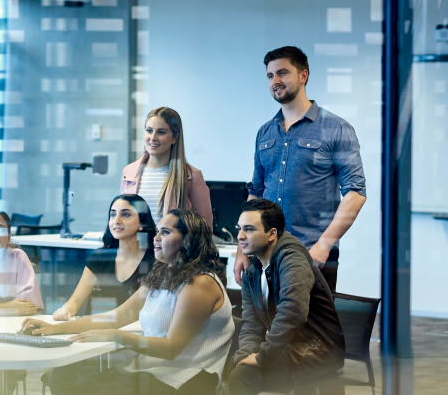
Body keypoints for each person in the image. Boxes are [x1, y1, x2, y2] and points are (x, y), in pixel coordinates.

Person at [24, 209, 233, 395]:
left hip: (184, 379)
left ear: (188, 241)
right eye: (158, 231)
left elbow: (171, 348)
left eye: (166, 233)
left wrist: (117, 336)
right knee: (64, 375)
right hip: (150, 371)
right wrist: (56, 329)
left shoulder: (200, 283)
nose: (156, 238)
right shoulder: (164, 273)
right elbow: (116, 317)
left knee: (78, 383)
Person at [233, 46, 367, 292]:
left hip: (313, 254)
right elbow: (256, 193)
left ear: (303, 75)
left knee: (312, 330)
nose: (275, 81)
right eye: (270, 76)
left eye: (283, 73)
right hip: (265, 254)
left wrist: (325, 245)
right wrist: (241, 248)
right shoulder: (265, 132)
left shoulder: (336, 129)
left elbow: (355, 193)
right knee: (265, 327)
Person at [226, 199, 345, 395]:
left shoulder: (292, 258)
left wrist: (262, 357)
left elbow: (292, 312)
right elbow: (251, 323)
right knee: (237, 367)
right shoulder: (252, 271)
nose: (240, 236)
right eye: (239, 229)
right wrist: (245, 355)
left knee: (244, 377)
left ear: (272, 233)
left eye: (249, 229)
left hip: (315, 350)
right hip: (286, 346)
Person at [52, 194, 157, 321]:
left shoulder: (156, 262)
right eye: (113, 215)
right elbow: (75, 302)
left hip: (134, 334)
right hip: (95, 332)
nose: (116, 221)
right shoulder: (100, 257)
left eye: (125, 214)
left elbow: (133, 314)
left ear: (142, 223)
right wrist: (64, 311)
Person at [121, 107, 213, 228]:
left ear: (175, 138)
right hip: (137, 246)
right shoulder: (129, 172)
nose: (153, 137)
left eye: (161, 132)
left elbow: (204, 228)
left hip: (173, 247)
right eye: (149, 130)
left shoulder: (192, 176)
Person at [0, 212, 43, 316]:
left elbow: (28, 306)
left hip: (11, 325)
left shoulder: (18, 257)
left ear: (9, 236)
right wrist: (7, 308)